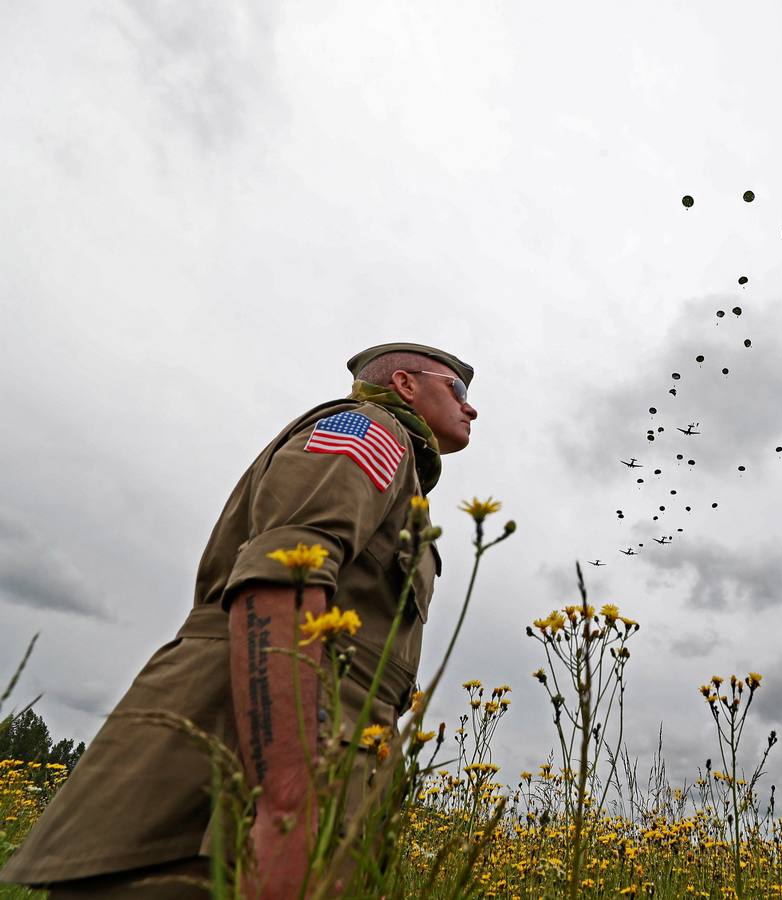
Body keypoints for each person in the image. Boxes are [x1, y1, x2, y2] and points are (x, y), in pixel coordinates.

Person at [1, 342, 478, 898]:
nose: (471, 409)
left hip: (323, 761)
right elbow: (285, 573)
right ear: (405, 384)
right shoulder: (370, 431)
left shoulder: (403, 471)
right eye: (458, 390)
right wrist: (287, 799)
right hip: (236, 771)